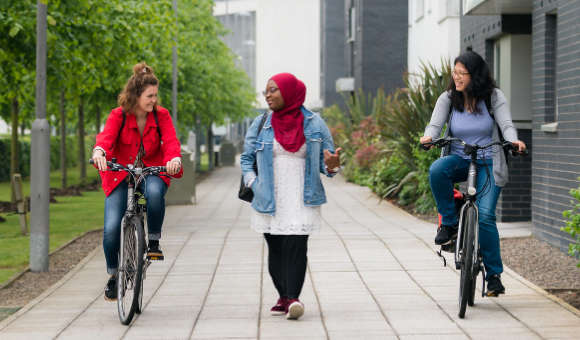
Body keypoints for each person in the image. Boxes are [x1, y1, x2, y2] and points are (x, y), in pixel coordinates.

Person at [420, 51, 526, 296]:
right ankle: (448, 223)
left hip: (488, 163)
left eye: (461, 74)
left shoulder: (493, 97)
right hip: (459, 159)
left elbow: (506, 124)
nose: (456, 78)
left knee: (486, 216)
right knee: (437, 169)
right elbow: (435, 125)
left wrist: (513, 141)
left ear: (475, 75)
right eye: (454, 73)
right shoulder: (448, 98)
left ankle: (494, 276)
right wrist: (429, 137)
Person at [241, 73, 341, 320]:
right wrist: (254, 183)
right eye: (266, 91)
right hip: (269, 197)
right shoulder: (261, 122)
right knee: (275, 248)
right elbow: (246, 160)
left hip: (302, 196)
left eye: (273, 90)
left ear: (289, 92)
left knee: (296, 246)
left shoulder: (315, 123)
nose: (268, 95)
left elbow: (328, 164)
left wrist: (333, 165)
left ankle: (294, 298)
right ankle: (283, 295)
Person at [91, 62, 183, 301]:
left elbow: (171, 141)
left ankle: (152, 242)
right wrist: (99, 152)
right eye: (149, 96)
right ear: (136, 95)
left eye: (155, 95)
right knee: (111, 228)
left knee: (154, 193)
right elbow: (106, 138)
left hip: (151, 169)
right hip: (121, 172)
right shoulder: (118, 115)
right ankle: (113, 275)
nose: (154, 100)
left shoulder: (161, 116)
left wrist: (173, 158)